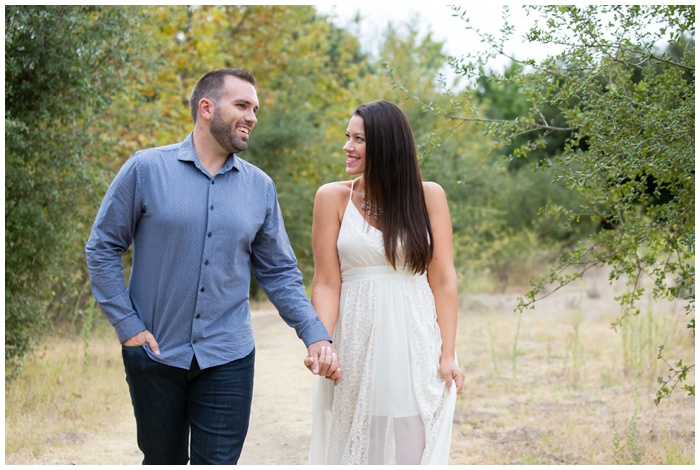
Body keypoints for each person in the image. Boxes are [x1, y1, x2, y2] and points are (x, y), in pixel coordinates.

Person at [85, 68, 341, 465]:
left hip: (229, 355)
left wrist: (315, 334)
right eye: (242, 105)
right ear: (206, 108)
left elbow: (279, 272)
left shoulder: (260, 188)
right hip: (154, 353)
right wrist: (128, 327)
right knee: (162, 460)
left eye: (255, 109)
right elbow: (102, 248)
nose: (253, 117)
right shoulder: (146, 169)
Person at [305, 100, 465, 464]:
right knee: (362, 440)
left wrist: (448, 354)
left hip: (414, 340)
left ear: (386, 145)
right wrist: (322, 343)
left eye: (358, 139)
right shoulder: (332, 198)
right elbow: (327, 282)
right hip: (357, 340)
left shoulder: (428, 196)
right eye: (348, 137)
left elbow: (443, 281)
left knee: (412, 439)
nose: (347, 146)